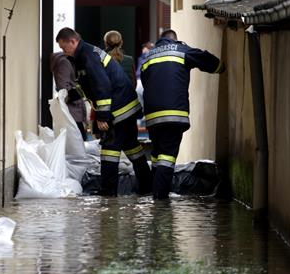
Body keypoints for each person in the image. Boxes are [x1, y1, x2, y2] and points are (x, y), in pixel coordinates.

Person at [56, 27, 153, 196]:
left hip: (118, 110)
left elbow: (102, 85)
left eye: (65, 48)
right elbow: (88, 83)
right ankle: (146, 187)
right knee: (132, 148)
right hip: (126, 108)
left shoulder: (86, 55)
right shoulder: (84, 54)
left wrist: (102, 116)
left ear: (73, 41)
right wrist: (72, 95)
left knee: (109, 150)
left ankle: (109, 193)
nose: (64, 52)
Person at [141, 29, 225, 199]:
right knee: (167, 157)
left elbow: (145, 82)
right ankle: (160, 201)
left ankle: (154, 193)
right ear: (174, 40)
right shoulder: (180, 50)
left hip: (152, 117)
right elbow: (204, 58)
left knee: (157, 155)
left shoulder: (148, 57)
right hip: (174, 114)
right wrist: (221, 67)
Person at [49, 52, 88, 140]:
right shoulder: (64, 63)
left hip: (74, 110)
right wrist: (80, 92)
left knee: (80, 142)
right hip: (72, 111)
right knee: (80, 142)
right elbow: (63, 90)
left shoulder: (69, 61)